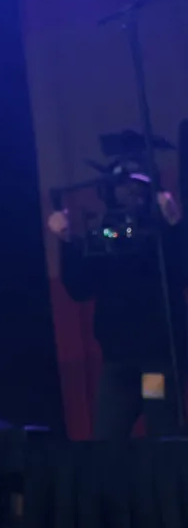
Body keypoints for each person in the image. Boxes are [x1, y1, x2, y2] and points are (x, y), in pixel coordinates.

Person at [49, 167, 185, 439]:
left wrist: (174, 226)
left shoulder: (158, 236)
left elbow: (179, 272)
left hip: (154, 362)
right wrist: (67, 243)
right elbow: (80, 288)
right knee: (108, 437)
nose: (130, 194)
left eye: (138, 188)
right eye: (124, 187)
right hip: (117, 360)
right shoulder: (106, 237)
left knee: (162, 432)